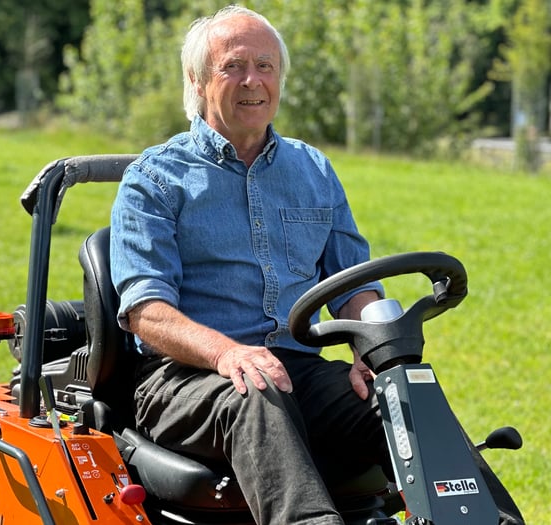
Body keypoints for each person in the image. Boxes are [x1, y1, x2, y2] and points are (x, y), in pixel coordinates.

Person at [110, 6, 524, 525]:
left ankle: (487, 518)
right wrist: (228, 354)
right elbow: (147, 311)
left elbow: (353, 282)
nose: (252, 81)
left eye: (265, 66)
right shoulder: (154, 179)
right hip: (185, 379)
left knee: (399, 394)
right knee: (255, 387)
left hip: (296, 368)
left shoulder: (312, 169)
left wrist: (371, 353)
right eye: (233, 66)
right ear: (196, 80)